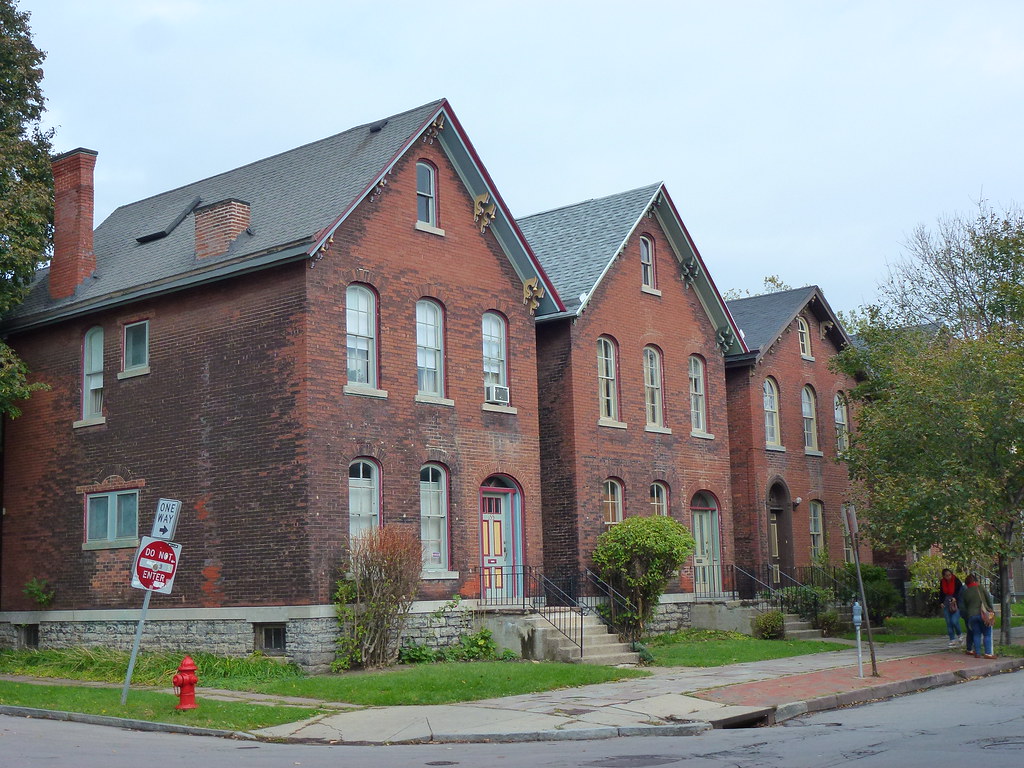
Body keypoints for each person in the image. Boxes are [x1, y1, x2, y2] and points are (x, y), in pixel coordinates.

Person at [960, 573, 996, 659]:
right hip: (983, 614)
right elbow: (988, 599)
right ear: (976, 580)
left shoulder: (965, 592)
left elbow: (964, 606)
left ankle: (978, 653)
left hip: (972, 616)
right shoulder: (980, 588)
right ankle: (988, 653)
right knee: (987, 634)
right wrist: (991, 610)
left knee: (976, 634)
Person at [937, 568, 964, 647]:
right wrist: (941, 602)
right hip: (946, 603)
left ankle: (960, 635)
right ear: (944, 576)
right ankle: (952, 639)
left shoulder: (956, 581)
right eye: (946, 576)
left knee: (954, 621)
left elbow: (960, 592)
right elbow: (941, 593)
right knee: (948, 622)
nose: (948, 577)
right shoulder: (943, 582)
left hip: (955, 603)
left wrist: (955, 598)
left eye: (949, 575)